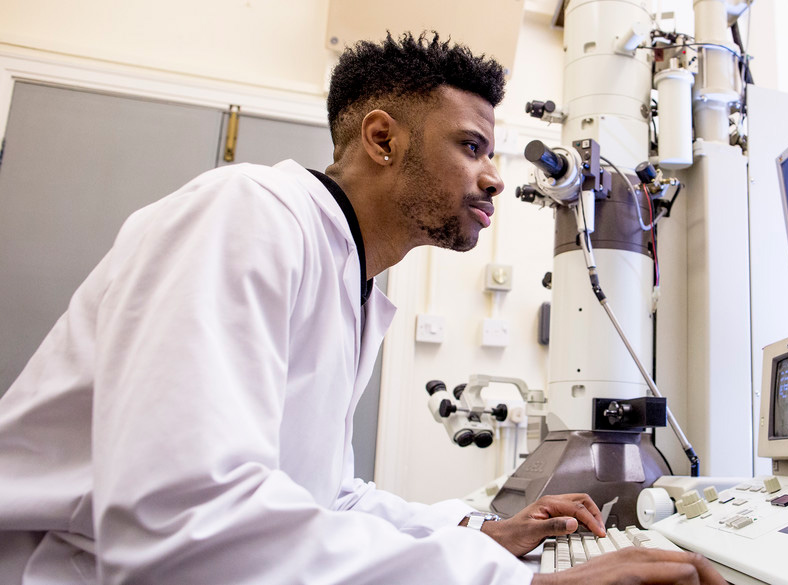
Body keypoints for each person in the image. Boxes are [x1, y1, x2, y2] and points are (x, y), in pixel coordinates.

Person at [0, 32, 726, 585]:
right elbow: (185, 523)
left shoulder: (356, 279)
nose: (494, 179)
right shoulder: (247, 213)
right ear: (383, 138)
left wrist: (482, 530)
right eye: (472, 146)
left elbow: (329, 496)